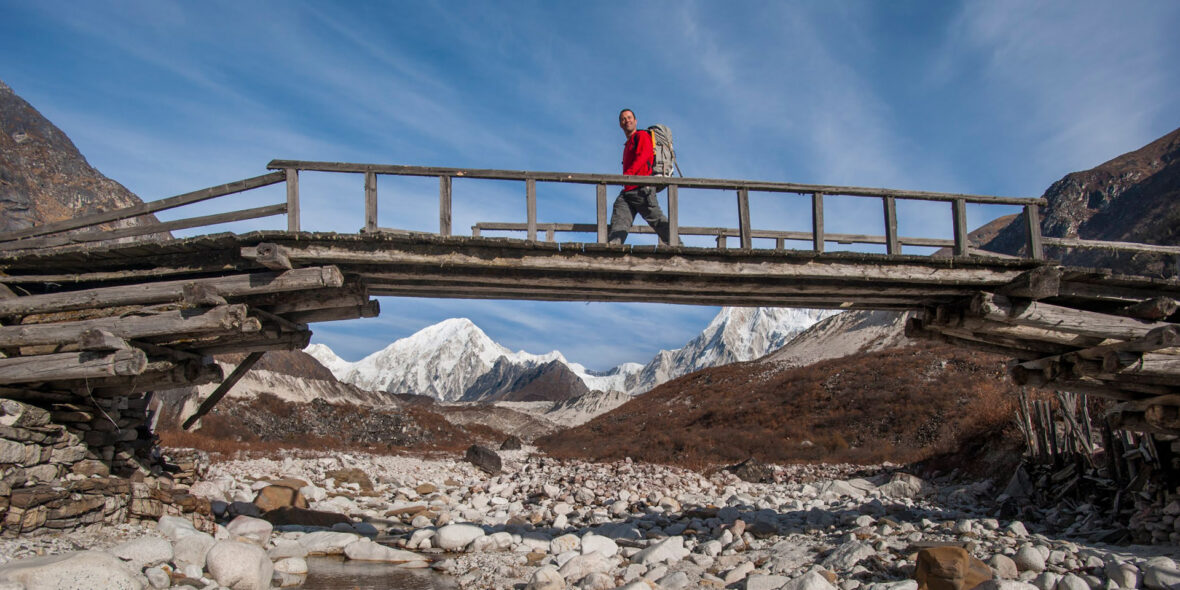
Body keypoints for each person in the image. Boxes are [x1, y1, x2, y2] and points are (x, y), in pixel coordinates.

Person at [607, 109, 671, 245]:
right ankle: (613, 248)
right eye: (623, 119)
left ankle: (678, 246)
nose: (627, 121)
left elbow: (644, 155)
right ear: (620, 124)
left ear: (635, 121)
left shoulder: (641, 135)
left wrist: (627, 175)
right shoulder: (627, 144)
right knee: (619, 218)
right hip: (628, 190)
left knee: (657, 220)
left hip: (642, 188)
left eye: (629, 117)